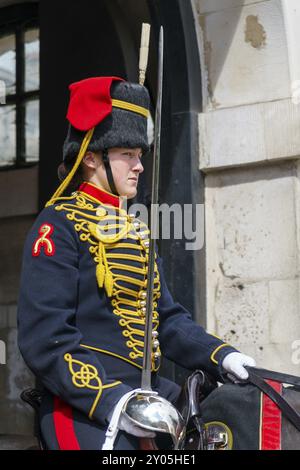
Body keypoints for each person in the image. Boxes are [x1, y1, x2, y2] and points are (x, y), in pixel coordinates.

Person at [17, 76, 255, 450]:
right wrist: (113, 402)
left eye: (140, 154)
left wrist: (224, 356)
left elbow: (169, 321)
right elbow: (46, 339)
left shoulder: (136, 230)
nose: (139, 166)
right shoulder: (57, 226)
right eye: (127, 153)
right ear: (91, 157)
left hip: (152, 396)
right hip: (85, 406)